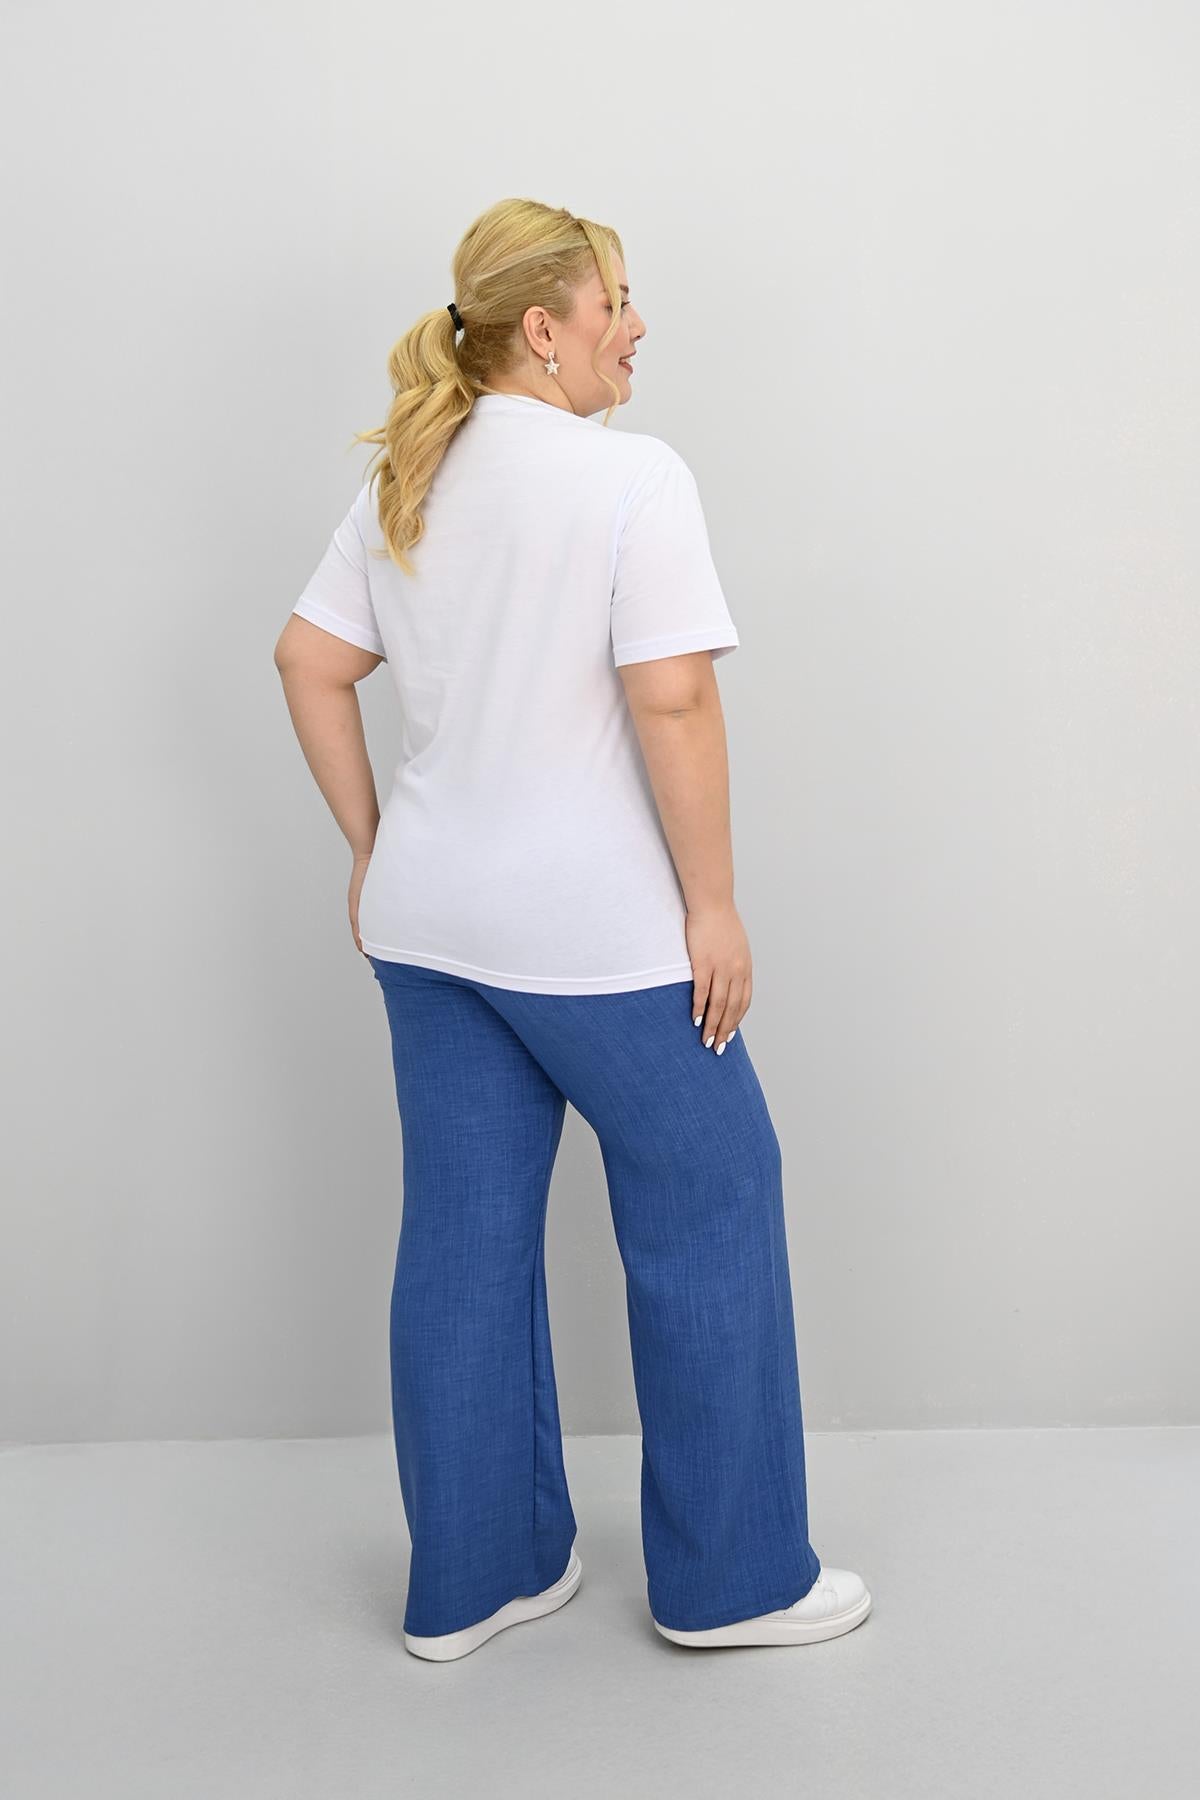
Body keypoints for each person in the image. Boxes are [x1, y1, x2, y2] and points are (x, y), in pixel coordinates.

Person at [273, 197, 871, 1662]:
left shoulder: (409, 478)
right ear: (544, 328)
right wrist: (713, 902)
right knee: (715, 1194)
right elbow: (675, 696)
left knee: (464, 1233)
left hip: (429, 926)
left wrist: (372, 850)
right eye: (617, 301)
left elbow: (305, 661)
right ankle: (734, 1581)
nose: (638, 326)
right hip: (591, 934)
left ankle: (475, 1580)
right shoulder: (632, 479)